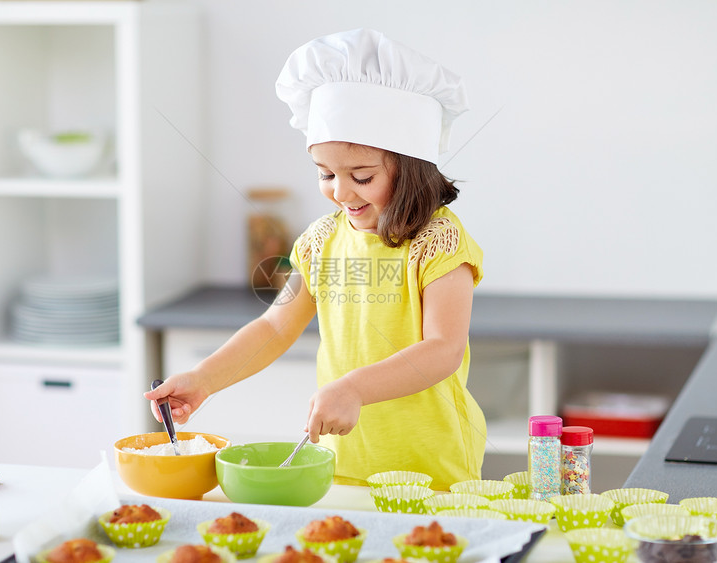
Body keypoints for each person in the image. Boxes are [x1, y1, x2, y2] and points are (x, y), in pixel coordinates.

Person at [145, 28, 486, 490]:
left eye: (361, 176)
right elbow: (274, 328)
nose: (340, 192)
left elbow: (442, 349)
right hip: (343, 461)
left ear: (410, 169)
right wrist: (205, 379)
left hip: (430, 468)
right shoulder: (321, 239)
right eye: (325, 173)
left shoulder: (439, 241)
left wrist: (354, 388)